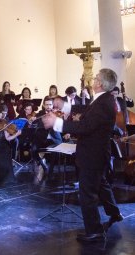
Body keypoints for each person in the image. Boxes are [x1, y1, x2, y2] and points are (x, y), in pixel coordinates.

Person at [42, 68, 123, 242]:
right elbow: (87, 109)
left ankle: (94, 231)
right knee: (101, 184)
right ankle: (114, 212)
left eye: (95, 78)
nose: (93, 80)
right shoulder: (104, 100)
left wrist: (57, 123)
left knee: (87, 194)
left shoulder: (104, 103)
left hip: (92, 155)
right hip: (98, 154)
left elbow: (84, 126)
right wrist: (65, 105)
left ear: (99, 83)